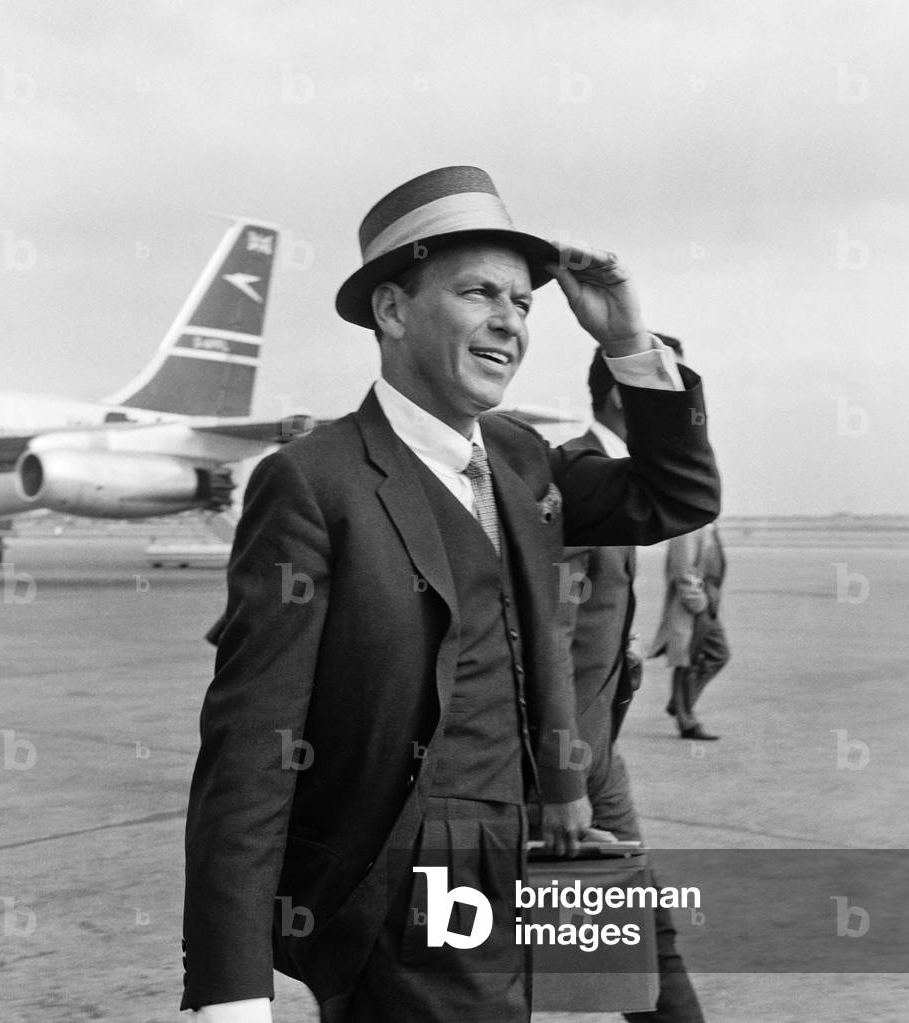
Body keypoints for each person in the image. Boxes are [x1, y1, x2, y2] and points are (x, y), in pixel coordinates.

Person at [180, 165, 720, 1022]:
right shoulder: (313, 482)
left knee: (630, 972)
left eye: (523, 302)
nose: (510, 320)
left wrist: (625, 336)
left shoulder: (518, 458)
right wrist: (232, 989)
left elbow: (676, 496)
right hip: (402, 877)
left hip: (522, 843)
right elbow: (251, 744)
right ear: (393, 311)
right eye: (478, 293)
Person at [554, 340, 706, 1021]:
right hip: (555, 764)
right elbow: (546, 640)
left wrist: (622, 654)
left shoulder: (614, 476)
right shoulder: (575, 477)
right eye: (667, 387)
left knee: (641, 939)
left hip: (596, 753)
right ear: (624, 394)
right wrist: (559, 781)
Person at [650, 520, 729, 740]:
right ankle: (687, 722)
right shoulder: (687, 527)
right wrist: (698, 604)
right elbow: (683, 571)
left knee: (719, 654)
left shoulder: (707, 524)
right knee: (686, 661)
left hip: (707, 605)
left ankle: (680, 702)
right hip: (693, 606)